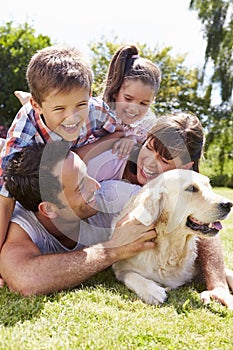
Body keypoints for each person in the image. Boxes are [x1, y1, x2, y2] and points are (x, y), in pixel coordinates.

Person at [0, 45, 125, 284]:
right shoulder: (23, 134)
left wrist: (81, 153)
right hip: (39, 158)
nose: (73, 117)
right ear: (38, 107)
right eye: (60, 108)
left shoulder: (96, 110)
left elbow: (118, 131)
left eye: (80, 105)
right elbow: (5, 199)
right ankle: (28, 101)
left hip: (75, 163)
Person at [86, 111, 233, 309]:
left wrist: (218, 283)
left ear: (185, 169)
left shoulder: (178, 186)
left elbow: (203, 220)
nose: (148, 162)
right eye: (149, 148)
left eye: (165, 160)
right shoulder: (113, 162)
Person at [0, 141, 156, 295]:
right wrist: (111, 249)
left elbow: (163, 200)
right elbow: (25, 279)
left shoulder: (109, 194)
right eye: (81, 186)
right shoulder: (22, 227)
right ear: (49, 209)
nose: (96, 185)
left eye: (87, 174)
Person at [14, 44, 162, 159]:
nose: (134, 109)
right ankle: (28, 101)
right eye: (128, 99)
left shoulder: (146, 124)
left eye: (144, 103)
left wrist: (131, 138)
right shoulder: (100, 111)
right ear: (116, 90)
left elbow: (149, 147)